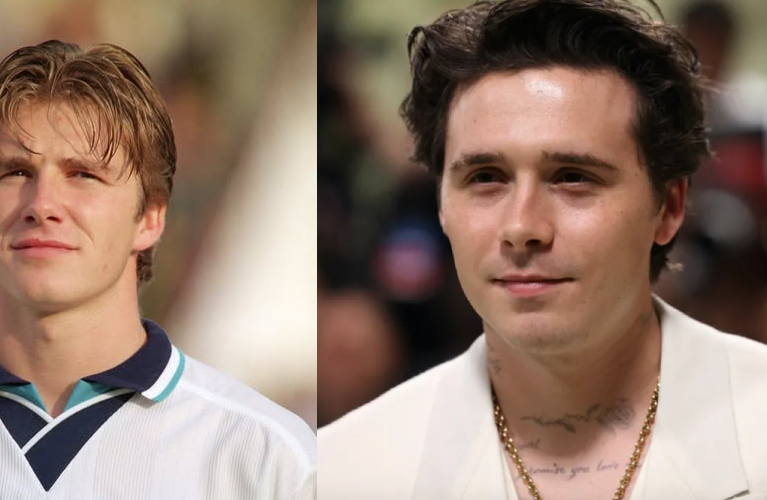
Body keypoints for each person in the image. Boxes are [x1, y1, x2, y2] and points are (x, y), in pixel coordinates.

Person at [318, 1, 767, 499]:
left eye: (573, 178)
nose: (521, 226)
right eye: (485, 178)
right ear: (441, 205)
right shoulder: (344, 471)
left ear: (669, 207)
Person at [0, 40, 315, 500]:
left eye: (83, 175)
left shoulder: (265, 459)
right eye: (16, 172)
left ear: (151, 217)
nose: (42, 205)